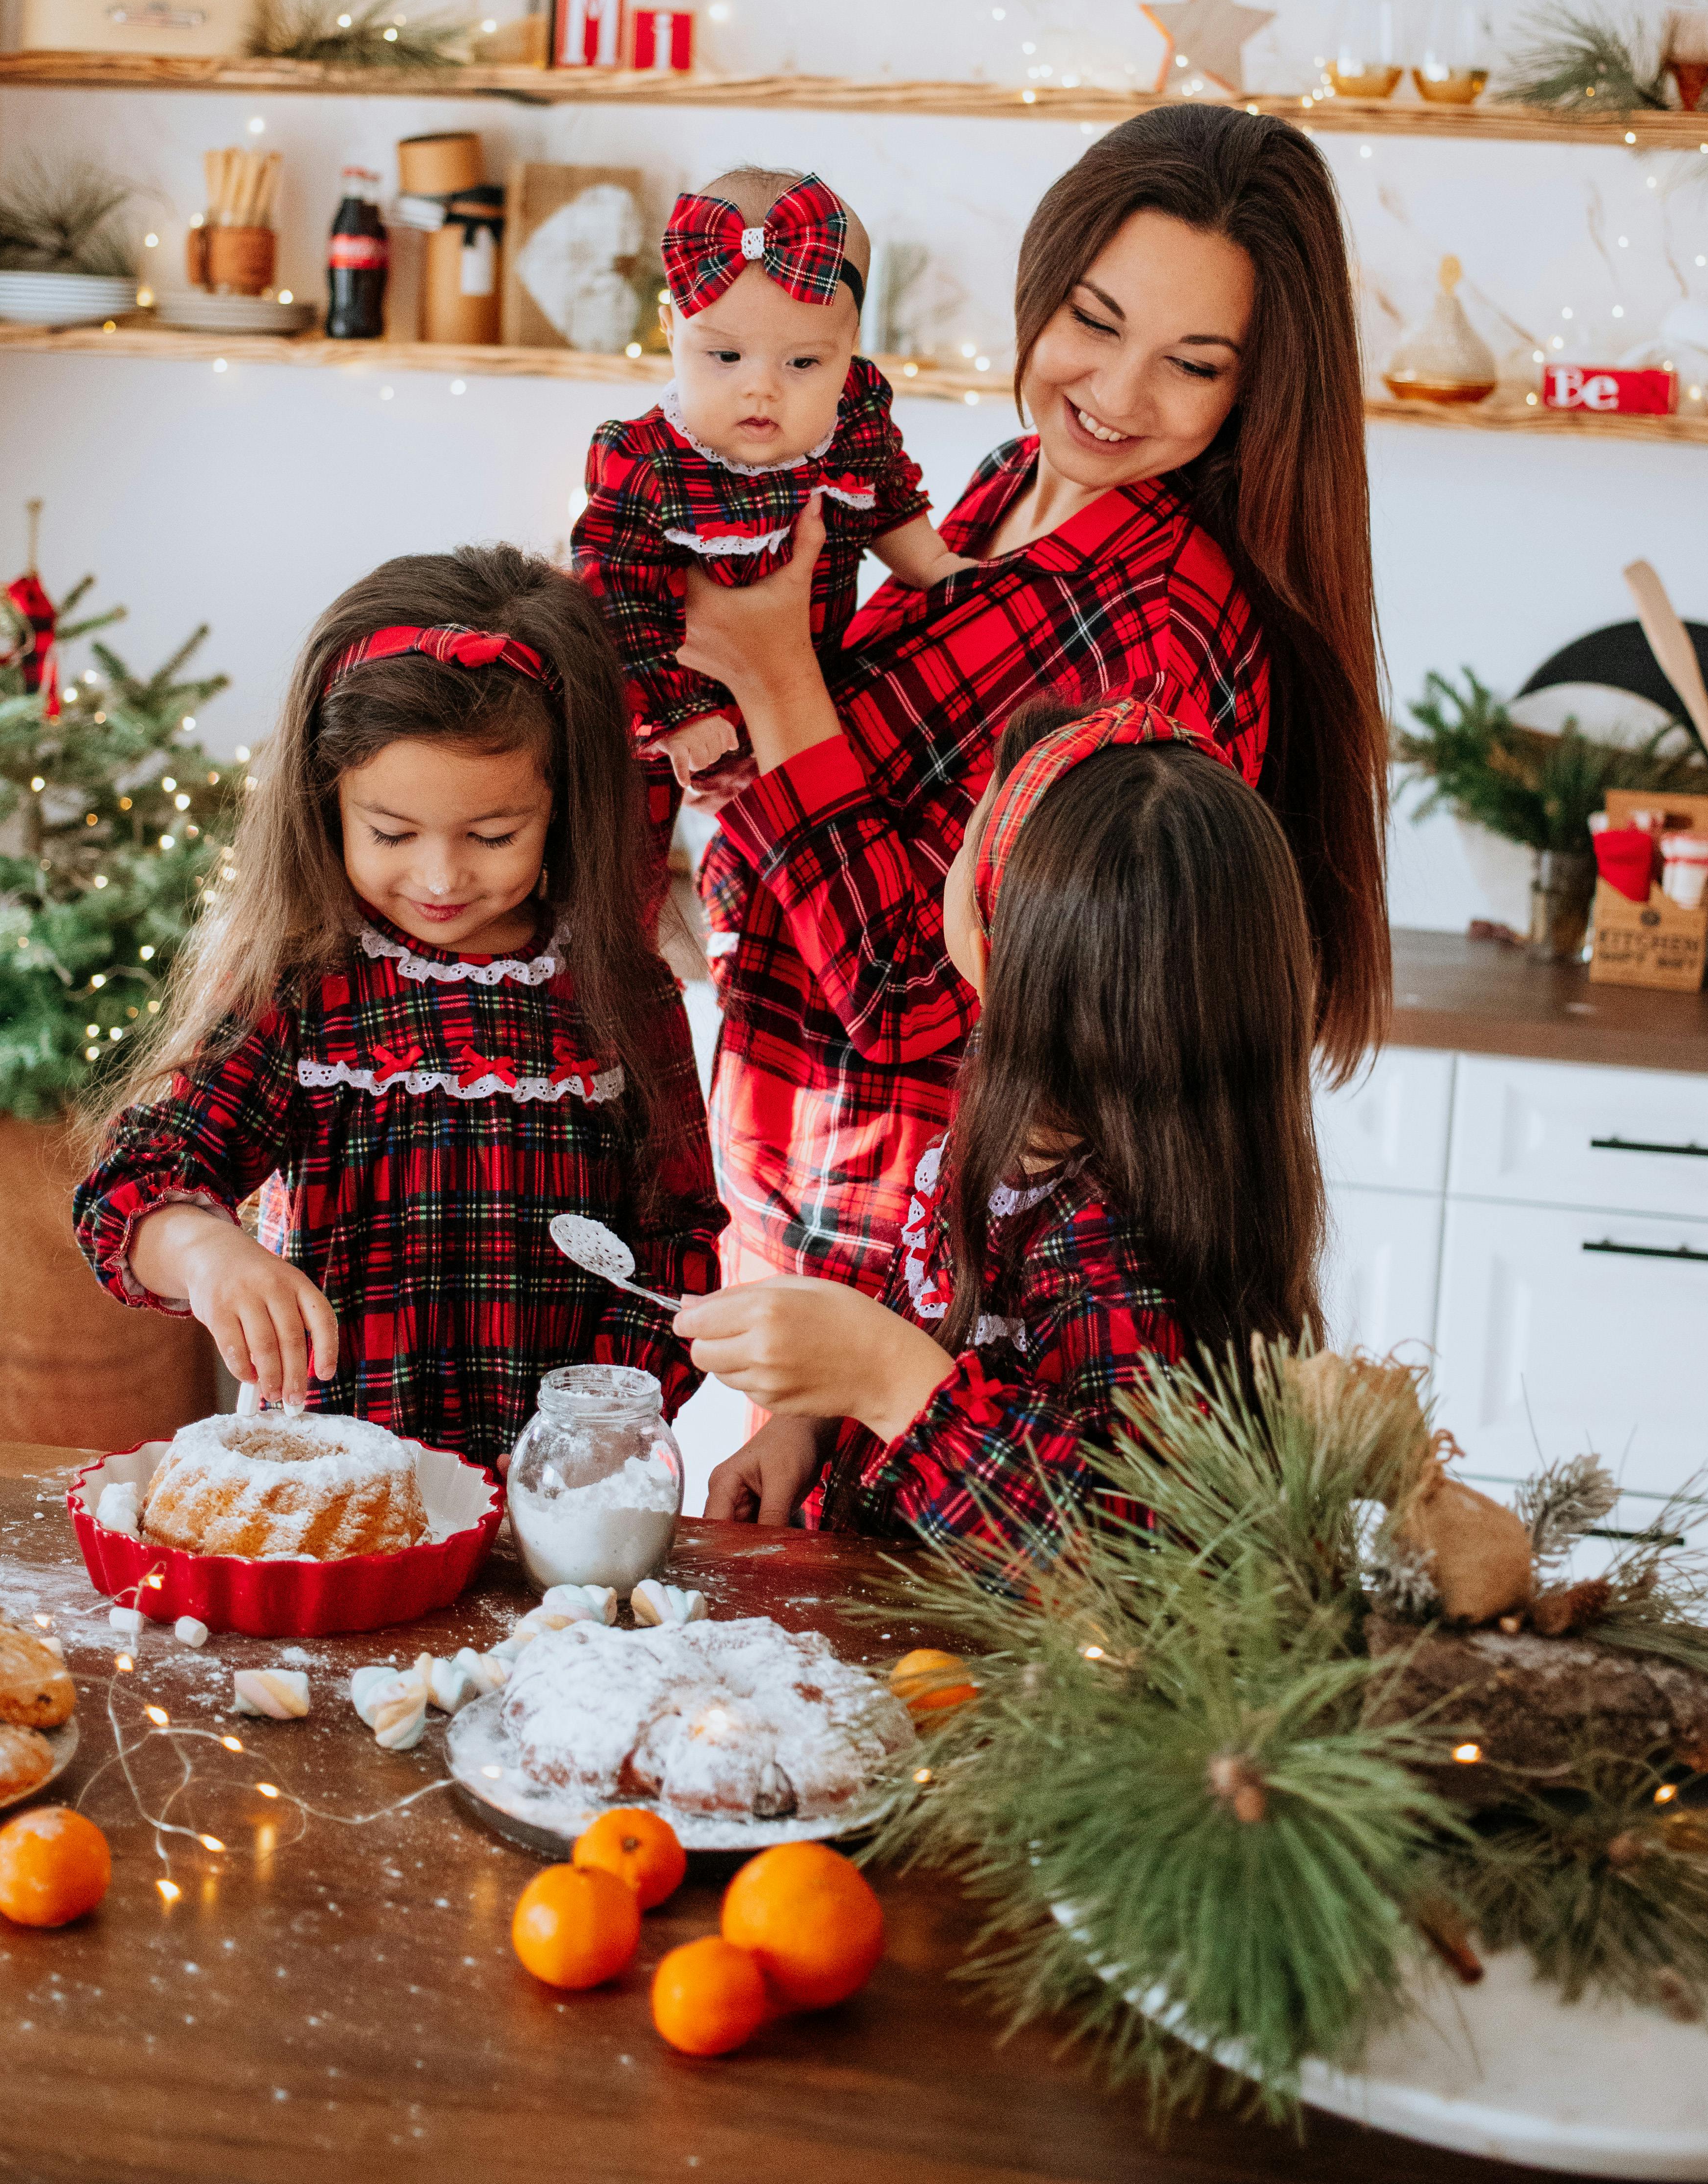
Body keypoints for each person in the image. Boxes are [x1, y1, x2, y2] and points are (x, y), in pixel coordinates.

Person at [678, 104, 1387, 1294]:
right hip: (800, 1216)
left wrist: (774, 675)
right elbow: (853, 826)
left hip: (939, 1296)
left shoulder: (1157, 652)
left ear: (1256, 385)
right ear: (1044, 280)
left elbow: (937, 999)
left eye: (1193, 364)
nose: (1113, 392)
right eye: (1090, 322)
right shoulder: (1004, 491)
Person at [73, 547, 723, 1466]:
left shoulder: (626, 995)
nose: (440, 876)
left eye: (493, 835)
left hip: (554, 1490)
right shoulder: (305, 984)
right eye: (390, 832)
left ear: (567, 806)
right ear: (326, 801)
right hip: (336, 1479)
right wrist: (207, 1253)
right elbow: (133, 1184)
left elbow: (676, 1243)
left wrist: (600, 1423)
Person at [680, 695, 1328, 1549]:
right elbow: (947, 1298)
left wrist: (887, 1379)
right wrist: (820, 1420)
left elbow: (1124, 1565)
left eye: (962, 848)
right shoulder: (1024, 1127)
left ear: (990, 946)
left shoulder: (1107, 1238)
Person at [571, 166, 963, 810]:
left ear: (850, 347)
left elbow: (886, 490)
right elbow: (615, 602)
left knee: (767, 849)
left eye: (803, 362)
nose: (762, 388)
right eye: (724, 357)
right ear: (672, 332)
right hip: (667, 712)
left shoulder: (852, 413)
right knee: (630, 852)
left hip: (802, 700)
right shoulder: (648, 461)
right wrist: (677, 714)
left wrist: (936, 566)